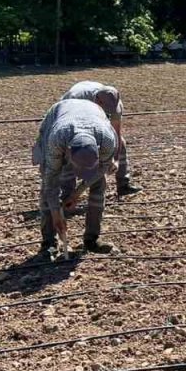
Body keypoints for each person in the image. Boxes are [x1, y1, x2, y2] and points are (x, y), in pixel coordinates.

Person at [35, 98, 119, 257]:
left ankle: (92, 240)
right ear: (67, 152)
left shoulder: (107, 140)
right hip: (60, 115)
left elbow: (103, 168)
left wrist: (77, 193)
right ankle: (49, 244)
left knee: (99, 185)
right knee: (47, 186)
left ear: (98, 150)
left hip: (94, 115)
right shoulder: (57, 139)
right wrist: (55, 214)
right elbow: (50, 180)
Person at [61, 80, 139, 196]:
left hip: (95, 118)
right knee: (69, 150)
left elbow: (116, 133)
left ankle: (123, 184)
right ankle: (67, 192)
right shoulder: (76, 98)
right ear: (97, 100)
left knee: (120, 142)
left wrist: (115, 159)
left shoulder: (115, 105)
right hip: (72, 116)